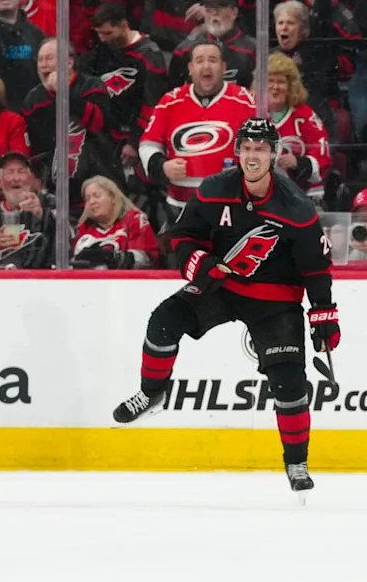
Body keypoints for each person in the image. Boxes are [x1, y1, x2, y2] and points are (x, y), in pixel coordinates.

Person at [112, 118, 341, 500]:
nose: (253, 155)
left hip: (276, 299)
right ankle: (152, 393)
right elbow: (182, 237)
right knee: (163, 321)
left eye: (261, 148)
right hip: (222, 284)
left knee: (289, 383)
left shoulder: (297, 209)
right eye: (247, 148)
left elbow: (316, 269)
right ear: (237, 152)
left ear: (274, 153)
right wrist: (197, 263)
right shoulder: (215, 188)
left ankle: (296, 462)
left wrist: (323, 314)